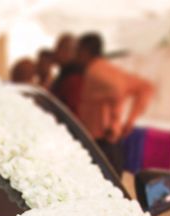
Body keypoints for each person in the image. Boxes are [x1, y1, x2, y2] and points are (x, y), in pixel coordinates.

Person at [57, 32, 154, 176]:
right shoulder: (107, 69)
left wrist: (115, 120)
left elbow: (117, 90)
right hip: (106, 143)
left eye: (78, 51)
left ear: (85, 51)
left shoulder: (95, 72)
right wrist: (129, 121)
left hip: (102, 143)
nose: (75, 55)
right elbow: (145, 87)